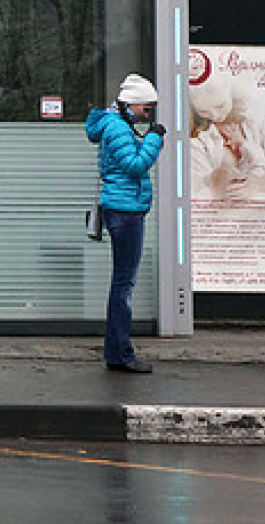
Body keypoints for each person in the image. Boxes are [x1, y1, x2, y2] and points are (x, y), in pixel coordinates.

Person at [86, 74, 167, 374]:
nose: (148, 115)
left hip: (123, 211)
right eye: (146, 109)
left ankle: (116, 351)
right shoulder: (118, 127)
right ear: (131, 104)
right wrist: (154, 139)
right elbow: (135, 165)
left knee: (122, 284)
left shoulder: (115, 124)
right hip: (125, 213)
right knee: (124, 285)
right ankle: (120, 353)